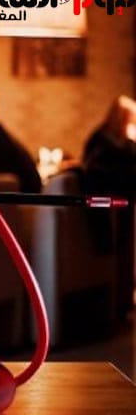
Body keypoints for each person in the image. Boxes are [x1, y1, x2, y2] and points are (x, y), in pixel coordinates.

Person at [83, 95, 136, 320]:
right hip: (111, 204)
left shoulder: (113, 141)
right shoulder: (105, 143)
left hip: (121, 203)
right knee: (120, 254)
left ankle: (122, 301)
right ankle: (119, 303)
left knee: (124, 254)